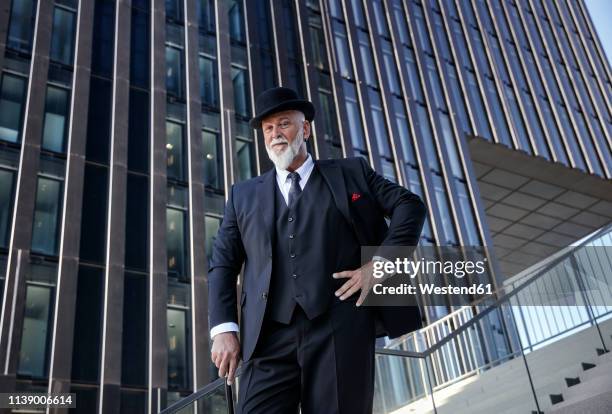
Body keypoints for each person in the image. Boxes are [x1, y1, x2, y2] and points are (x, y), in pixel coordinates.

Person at [208, 87, 426, 413]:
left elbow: (410, 205)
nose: (276, 134)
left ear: (305, 129)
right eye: (268, 129)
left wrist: (379, 266)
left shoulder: (351, 173)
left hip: (340, 328)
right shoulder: (243, 195)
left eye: (284, 124)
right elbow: (223, 263)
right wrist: (224, 328)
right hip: (267, 336)